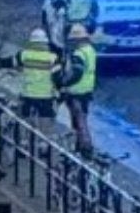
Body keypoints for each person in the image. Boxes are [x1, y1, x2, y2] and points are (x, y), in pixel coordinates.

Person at [58, 24, 98, 154]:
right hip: (87, 90)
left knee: (78, 120)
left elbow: (76, 73)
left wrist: (63, 82)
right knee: (82, 118)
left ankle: (85, 147)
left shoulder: (79, 54)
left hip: (76, 91)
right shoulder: (90, 50)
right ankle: (81, 145)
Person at [18, 28, 61, 138]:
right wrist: (59, 93)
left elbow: (9, 62)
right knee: (45, 124)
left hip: (27, 95)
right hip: (45, 97)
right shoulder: (52, 58)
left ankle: (25, 141)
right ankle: (43, 143)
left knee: (25, 123)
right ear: (45, 42)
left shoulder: (24, 55)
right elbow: (58, 79)